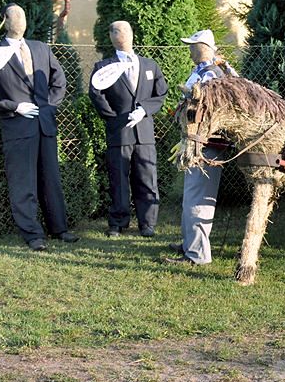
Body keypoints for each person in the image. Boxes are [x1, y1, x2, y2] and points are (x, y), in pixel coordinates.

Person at [0, 3, 77, 251]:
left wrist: (48, 105)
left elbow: (58, 80)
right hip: (17, 126)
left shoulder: (41, 48)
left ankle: (59, 228)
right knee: (23, 181)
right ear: (3, 21)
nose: (20, 20)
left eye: (22, 15)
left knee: (51, 179)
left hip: (45, 124)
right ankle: (32, 234)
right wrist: (13, 106)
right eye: (13, 15)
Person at [89, 21, 168, 237]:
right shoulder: (103, 68)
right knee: (118, 179)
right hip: (119, 132)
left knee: (147, 177)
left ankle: (147, 223)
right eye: (114, 30)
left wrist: (144, 110)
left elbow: (160, 93)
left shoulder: (150, 65)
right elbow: (96, 94)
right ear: (111, 36)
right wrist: (113, 118)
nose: (118, 34)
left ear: (132, 34)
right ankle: (117, 222)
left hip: (144, 133)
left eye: (122, 30)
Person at [165, 28, 238, 266]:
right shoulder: (203, 73)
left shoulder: (211, 76)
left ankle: (197, 255)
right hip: (196, 143)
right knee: (191, 195)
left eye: (192, 45)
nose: (189, 49)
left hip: (205, 145)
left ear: (204, 48)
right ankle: (190, 244)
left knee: (198, 197)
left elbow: (205, 111)